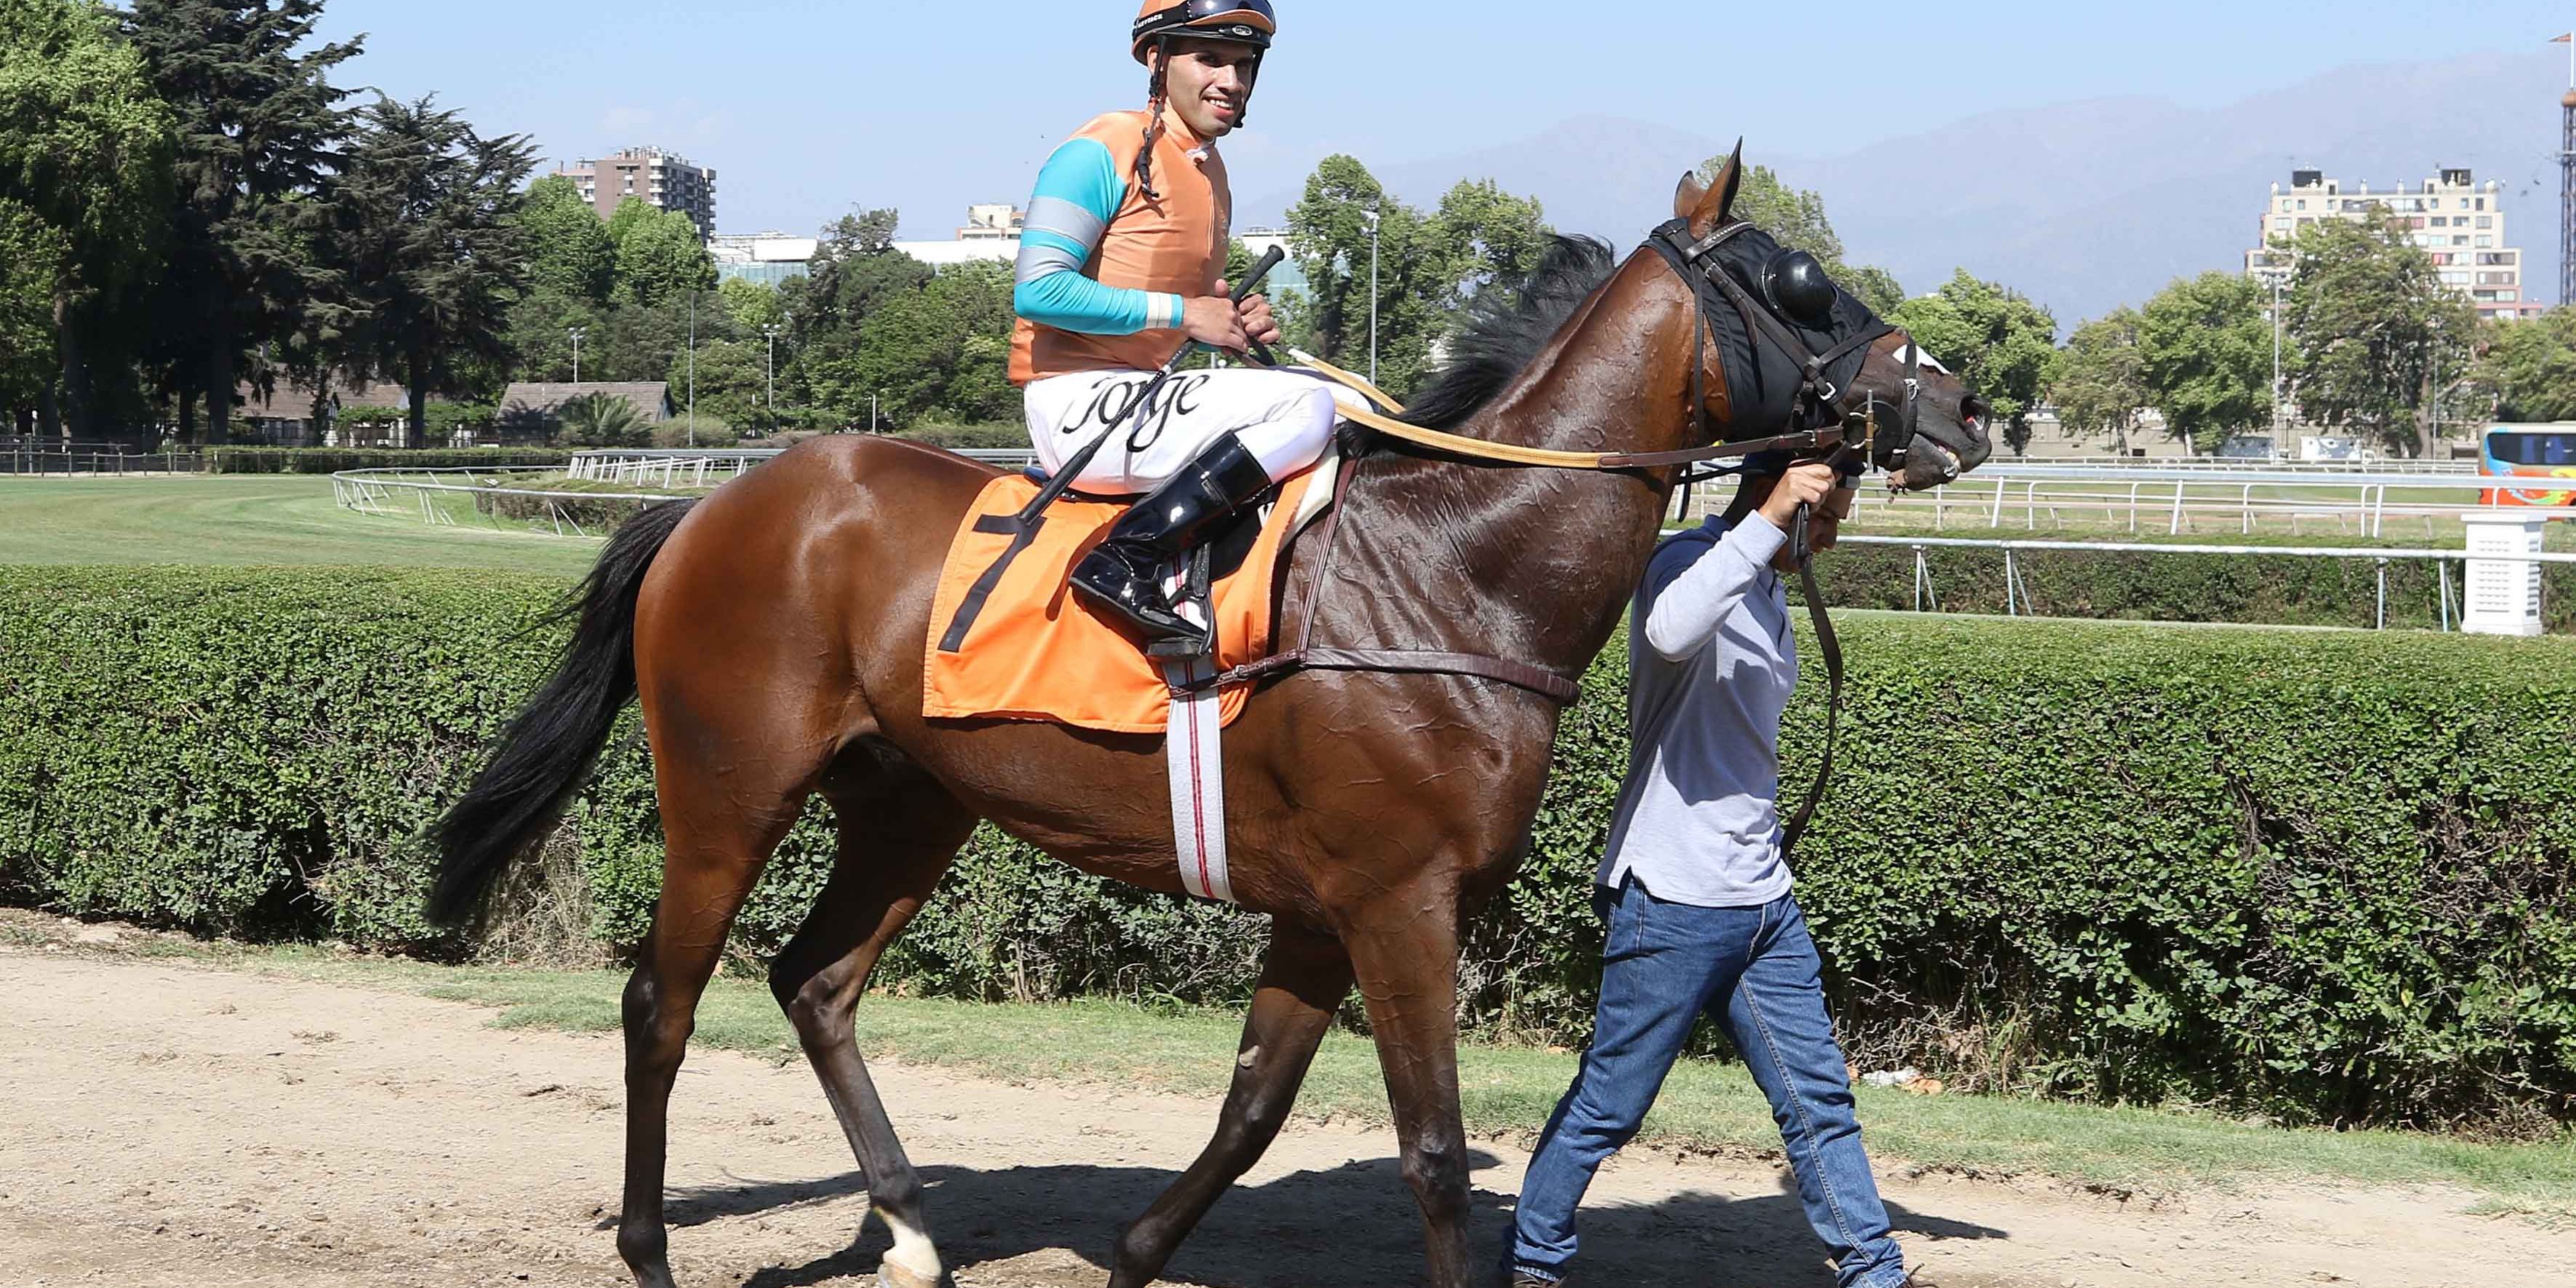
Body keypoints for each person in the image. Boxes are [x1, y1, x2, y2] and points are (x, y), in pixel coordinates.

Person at [1500, 460, 1932, 1288]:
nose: (1836, 533)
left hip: (1762, 899)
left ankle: (1872, 1269)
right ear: (1783, 503)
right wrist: (1769, 514)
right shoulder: (1687, 563)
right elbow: (1668, 632)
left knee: (1818, 1102)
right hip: (1669, 896)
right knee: (1609, 1105)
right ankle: (1532, 1259)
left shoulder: (1770, 589)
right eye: (1829, 514)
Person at [1011, 1, 1351, 650]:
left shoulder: (1209, 172)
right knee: (1310, 404)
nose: (1232, 80)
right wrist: (1187, 312)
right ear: (1158, 60)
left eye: (1244, 65)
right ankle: (1128, 556)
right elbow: (1038, 288)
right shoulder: (1097, 148)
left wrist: (1232, 324)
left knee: (1355, 398)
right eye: (1211, 59)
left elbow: (1187, 309)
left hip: (1136, 396)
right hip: (1076, 402)